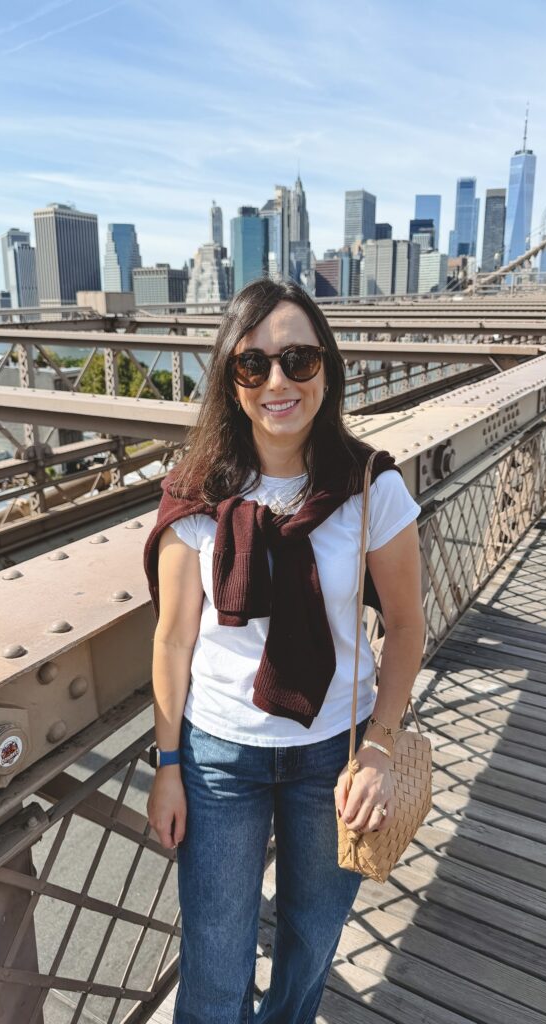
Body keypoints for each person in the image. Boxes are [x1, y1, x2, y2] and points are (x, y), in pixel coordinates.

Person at [143, 278, 425, 1024]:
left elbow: (405, 625)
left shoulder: (372, 488)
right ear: (230, 380)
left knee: (310, 937)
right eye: (253, 364)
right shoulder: (193, 494)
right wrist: (167, 766)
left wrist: (381, 748)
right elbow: (172, 639)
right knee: (213, 952)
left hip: (335, 755)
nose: (278, 382)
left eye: (298, 360)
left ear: (326, 370)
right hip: (218, 757)